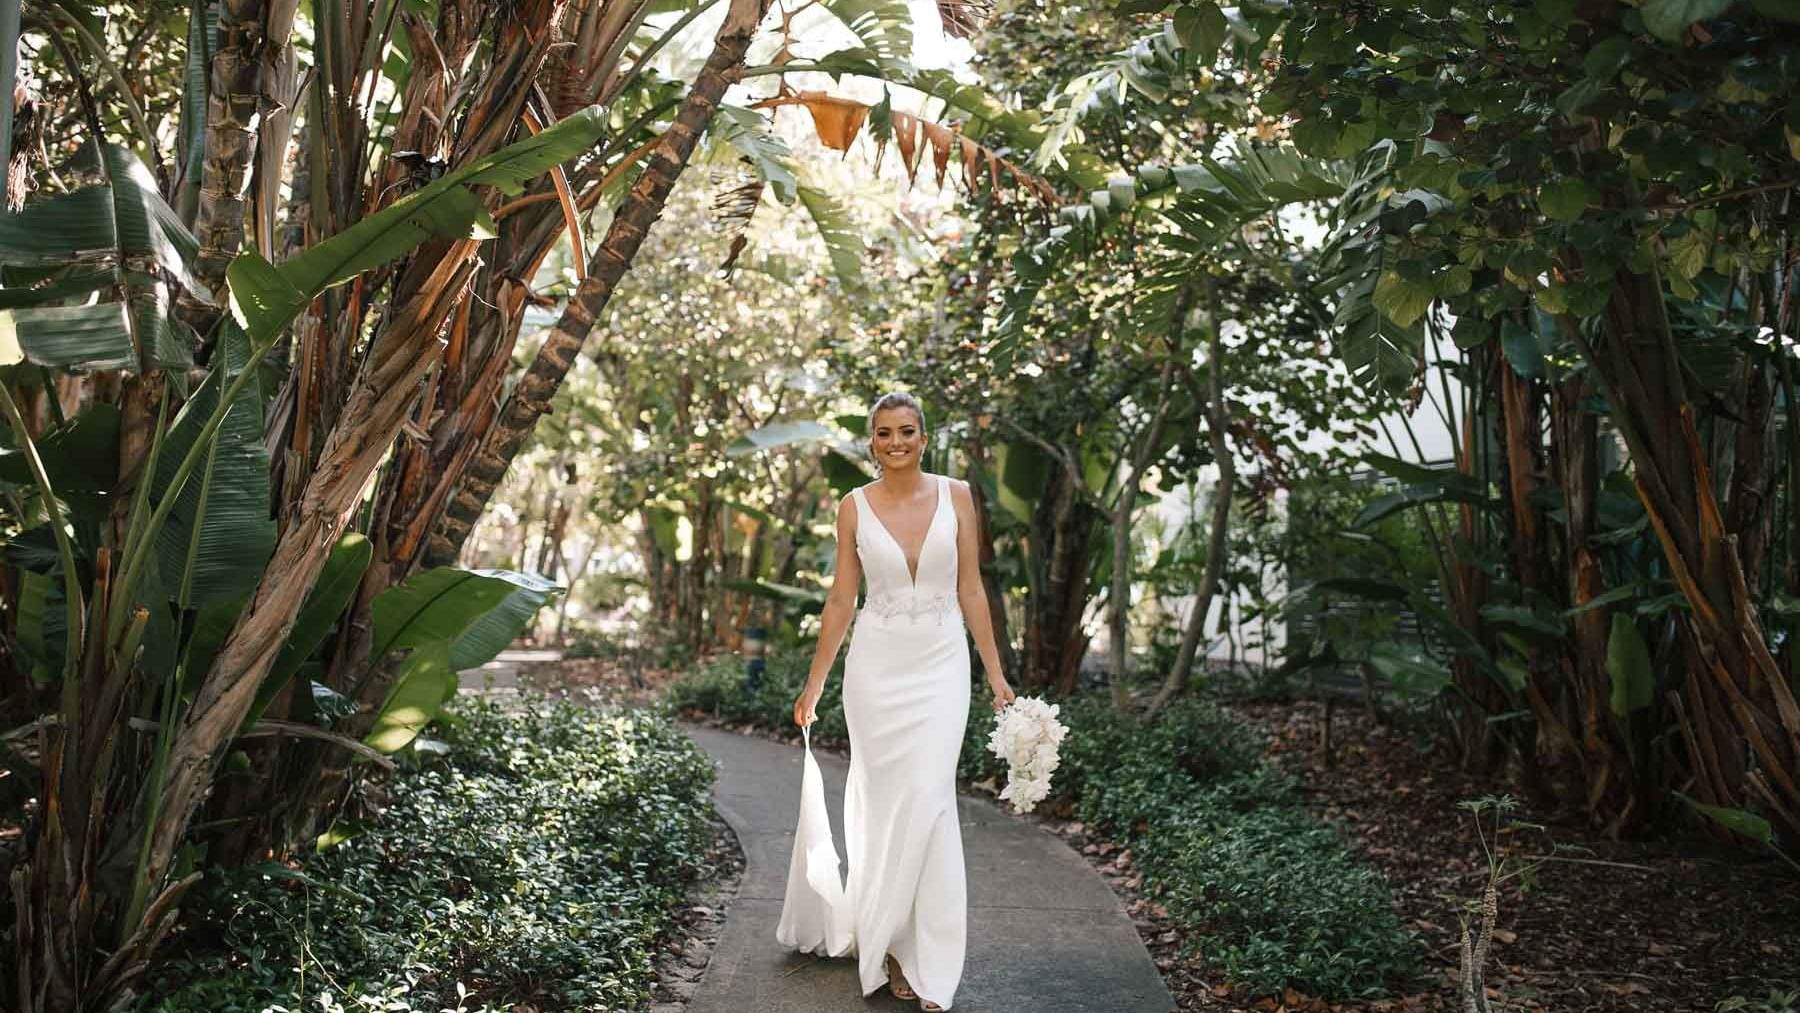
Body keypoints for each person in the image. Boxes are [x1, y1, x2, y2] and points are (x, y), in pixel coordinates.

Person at [782, 391, 1016, 1012]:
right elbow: (841, 601)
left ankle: (926, 958)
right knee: (886, 807)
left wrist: (995, 675)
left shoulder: (958, 495)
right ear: (872, 442)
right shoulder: (852, 507)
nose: (896, 443)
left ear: (924, 436)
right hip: (876, 671)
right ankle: (887, 942)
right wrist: (814, 686)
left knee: (932, 800)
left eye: (907, 431)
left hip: (941, 666)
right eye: (884, 434)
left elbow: (970, 588)